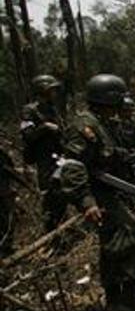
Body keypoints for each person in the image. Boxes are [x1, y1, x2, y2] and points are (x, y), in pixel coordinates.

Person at [58, 74, 135, 311]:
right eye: (119, 99)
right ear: (109, 99)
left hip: (110, 192)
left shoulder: (101, 123)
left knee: (113, 247)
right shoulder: (84, 126)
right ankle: (128, 304)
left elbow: (106, 152)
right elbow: (73, 166)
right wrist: (86, 202)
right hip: (98, 196)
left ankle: (115, 304)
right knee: (133, 240)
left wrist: (128, 156)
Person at [20, 75, 67, 232]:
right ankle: (51, 231)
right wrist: (45, 127)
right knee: (49, 194)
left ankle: (64, 226)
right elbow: (28, 134)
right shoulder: (29, 110)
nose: (54, 93)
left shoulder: (52, 108)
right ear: (42, 90)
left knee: (62, 192)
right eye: (51, 90)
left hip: (58, 156)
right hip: (44, 158)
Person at [114, 95, 135, 207]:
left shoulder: (133, 125)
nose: (128, 113)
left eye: (130, 110)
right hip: (119, 159)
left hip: (134, 157)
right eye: (125, 110)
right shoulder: (113, 125)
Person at [0, 147, 16, 257]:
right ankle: (5, 248)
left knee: (7, 219)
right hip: (4, 191)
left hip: (4, 190)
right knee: (8, 218)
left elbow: (10, 166)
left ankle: (6, 248)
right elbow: (10, 166)